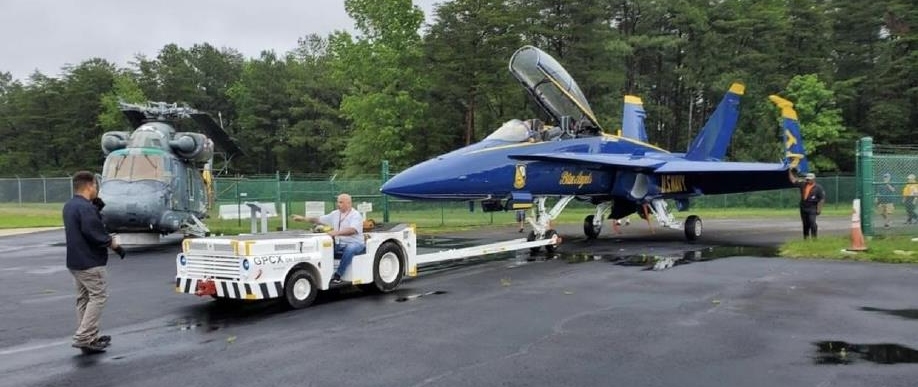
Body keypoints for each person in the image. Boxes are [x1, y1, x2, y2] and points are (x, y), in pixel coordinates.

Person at [63, 171, 120, 353]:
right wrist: (115, 246)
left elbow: (84, 226)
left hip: (75, 262)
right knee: (98, 297)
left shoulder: (70, 206)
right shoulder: (85, 208)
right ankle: (83, 336)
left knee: (83, 299)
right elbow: (95, 233)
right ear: (89, 186)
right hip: (90, 262)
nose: (96, 189)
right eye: (95, 186)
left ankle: (89, 336)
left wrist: (95, 209)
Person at [292, 193, 365, 284]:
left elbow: (353, 230)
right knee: (324, 249)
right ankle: (321, 274)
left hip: (356, 243)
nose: (338, 204)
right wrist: (303, 218)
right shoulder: (335, 214)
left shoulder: (355, 215)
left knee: (350, 249)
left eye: (341, 202)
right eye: (338, 202)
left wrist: (336, 232)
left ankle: (338, 275)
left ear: (349, 203)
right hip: (340, 243)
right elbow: (318, 219)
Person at [789, 170, 825, 239]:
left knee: (812, 223)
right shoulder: (803, 184)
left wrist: (819, 209)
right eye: (807, 179)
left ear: (814, 179)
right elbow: (793, 180)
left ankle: (814, 238)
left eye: (809, 179)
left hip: (812, 207)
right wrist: (788, 171)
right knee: (805, 224)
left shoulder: (818, 188)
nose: (808, 180)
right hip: (803, 207)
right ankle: (806, 238)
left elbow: (822, 199)